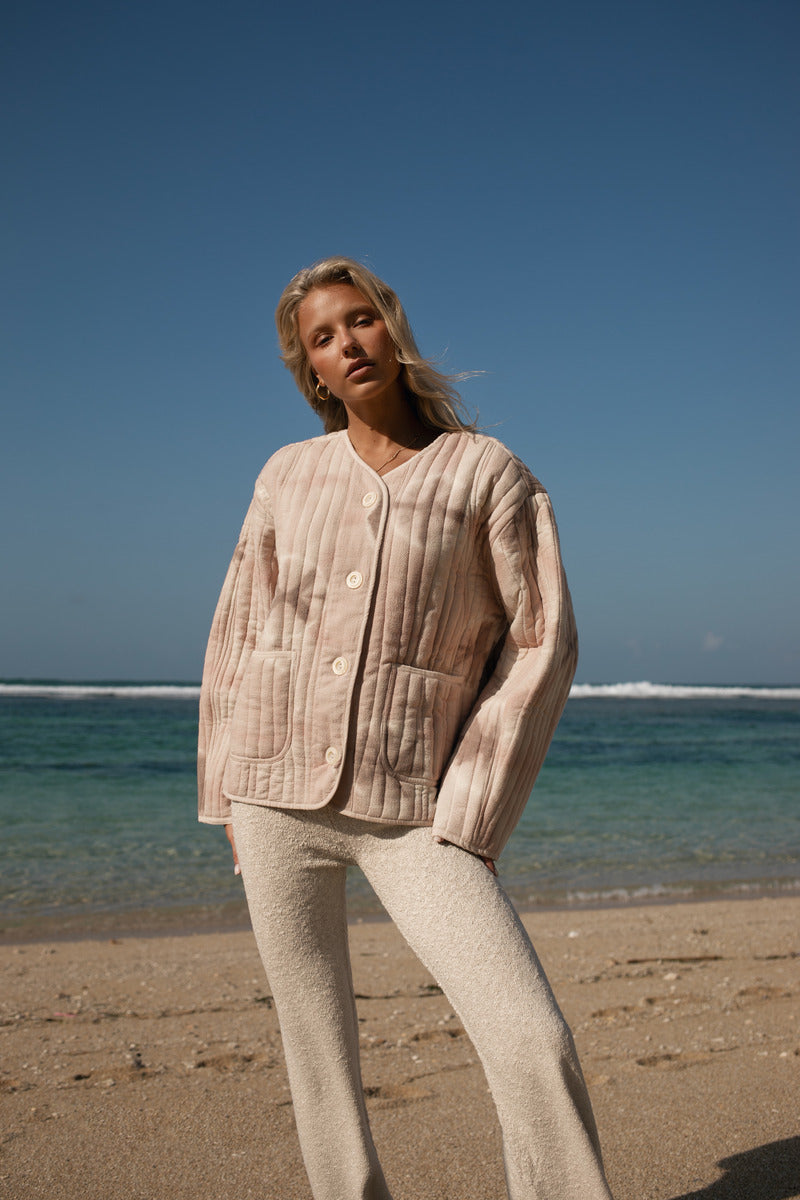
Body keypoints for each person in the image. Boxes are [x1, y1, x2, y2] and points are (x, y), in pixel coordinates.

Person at [198, 256, 614, 1200]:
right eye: (322, 338)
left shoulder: (486, 471)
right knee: (317, 1050)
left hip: (418, 809)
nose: (347, 343)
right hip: (271, 794)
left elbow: (540, 644)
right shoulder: (286, 474)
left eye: (360, 319)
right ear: (311, 370)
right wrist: (222, 790)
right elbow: (237, 629)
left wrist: (472, 807)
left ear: (392, 325)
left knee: (531, 1037)